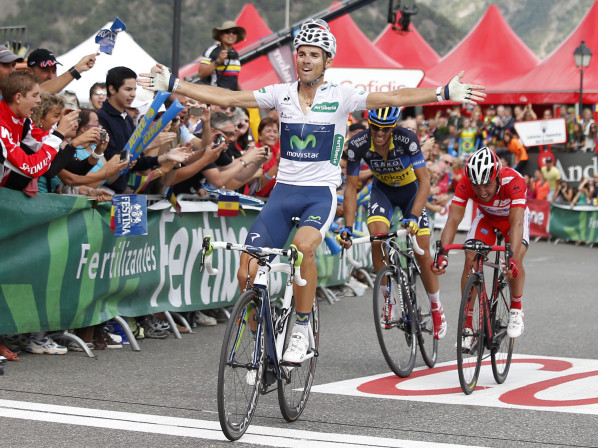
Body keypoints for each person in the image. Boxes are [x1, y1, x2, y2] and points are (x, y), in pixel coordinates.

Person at [138, 18, 485, 363]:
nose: (305, 60)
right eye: (301, 54)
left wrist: (442, 93)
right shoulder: (281, 94)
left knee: (304, 248)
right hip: (283, 194)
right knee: (246, 270)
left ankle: (301, 328)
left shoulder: (342, 96)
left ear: (327, 61)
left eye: (314, 55)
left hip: (318, 194)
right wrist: (175, 84)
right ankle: (265, 336)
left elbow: (394, 95)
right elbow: (227, 95)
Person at [339, 107, 446, 339]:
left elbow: (425, 182)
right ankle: (390, 301)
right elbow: (350, 188)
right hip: (383, 192)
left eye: (386, 129)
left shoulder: (407, 138)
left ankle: (436, 308)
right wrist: (347, 228)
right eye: (375, 127)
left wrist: (415, 216)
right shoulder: (357, 144)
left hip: (411, 192)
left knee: (422, 250)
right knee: (378, 239)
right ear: (369, 124)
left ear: (394, 127)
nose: (380, 133)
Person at [431, 147, 529, 339]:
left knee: (515, 258)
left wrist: (513, 260)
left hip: (512, 220)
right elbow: (453, 220)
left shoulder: (514, 181)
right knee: (471, 256)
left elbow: (517, 223)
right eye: (477, 186)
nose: (482, 192)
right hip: (487, 218)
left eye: (487, 185)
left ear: (497, 177)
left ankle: (516, 309)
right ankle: (467, 323)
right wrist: (442, 253)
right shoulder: (466, 182)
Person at [0, 70, 77, 192]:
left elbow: (41, 146)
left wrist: (59, 126)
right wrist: (59, 133)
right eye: (35, 95)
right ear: (18, 97)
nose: (39, 101)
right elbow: (32, 168)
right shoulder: (1, 128)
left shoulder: (21, 119)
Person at [199, 20, 246, 91]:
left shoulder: (235, 54)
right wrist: (218, 62)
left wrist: (244, 94)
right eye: (227, 31)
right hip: (215, 96)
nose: (231, 34)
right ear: (221, 35)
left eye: (234, 32)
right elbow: (201, 73)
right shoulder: (212, 51)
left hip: (231, 98)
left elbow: (233, 78)